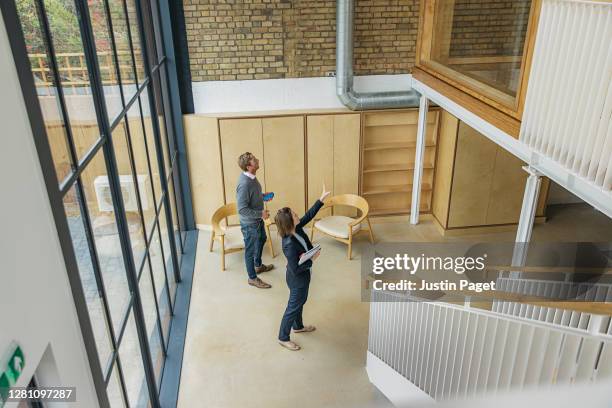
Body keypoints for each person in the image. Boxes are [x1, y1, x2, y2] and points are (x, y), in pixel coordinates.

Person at [275, 184, 331, 350]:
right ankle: (282, 337)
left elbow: (308, 215)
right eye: (294, 214)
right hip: (297, 278)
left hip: (302, 277)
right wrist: (312, 259)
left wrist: (321, 199)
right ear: (289, 222)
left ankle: (298, 327)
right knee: (293, 307)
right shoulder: (289, 245)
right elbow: (295, 268)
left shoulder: (295, 228)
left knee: (300, 302)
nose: (297, 214)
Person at [236, 152, 274, 289]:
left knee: (262, 238)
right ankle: (252, 278)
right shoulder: (244, 184)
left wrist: (262, 197)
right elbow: (242, 209)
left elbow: (252, 196)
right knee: (250, 250)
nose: (257, 159)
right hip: (250, 224)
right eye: (253, 159)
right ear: (248, 166)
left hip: (257, 221)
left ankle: (258, 266)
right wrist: (261, 213)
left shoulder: (252, 178)